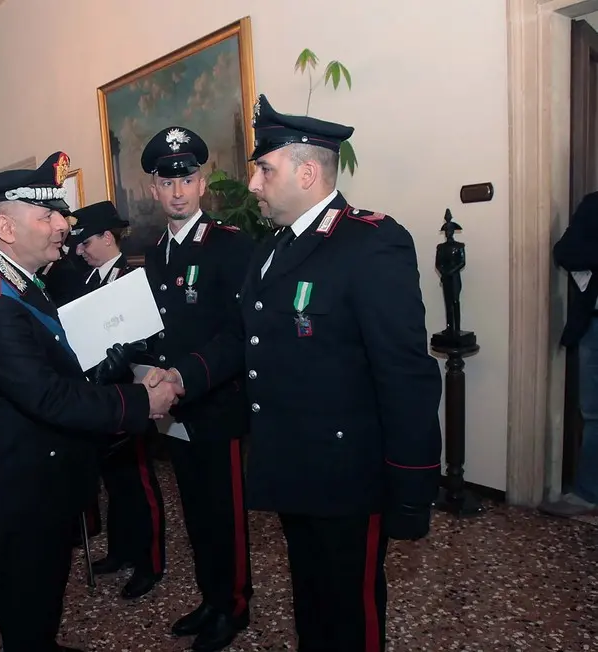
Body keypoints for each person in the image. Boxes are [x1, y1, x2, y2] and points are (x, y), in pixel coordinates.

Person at [155, 94, 443, 651]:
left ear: (308, 171)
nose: (255, 185)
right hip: (291, 466)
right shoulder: (272, 250)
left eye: (265, 169)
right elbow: (243, 337)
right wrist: (180, 378)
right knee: (310, 599)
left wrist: (411, 485)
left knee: (349, 608)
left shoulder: (370, 243)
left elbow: (405, 373)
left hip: (347, 477)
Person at [0, 151, 179, 652]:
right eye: (48, 215)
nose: (63, 225)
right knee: (27, 594)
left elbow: (58, 364)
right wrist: (142, 401)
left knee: (42, 591)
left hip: (41, 476)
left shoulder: (19, 284)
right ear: (6, 227)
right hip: (23, 485)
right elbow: (49, 396)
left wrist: (123, 370)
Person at [136, 126, 255, 652]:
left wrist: (185, 376)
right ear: (153, 189)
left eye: (187, 177)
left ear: (203, 183)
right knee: (196, 513)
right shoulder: (155, 252)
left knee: (225, 515)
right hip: (174, 411)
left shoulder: (231, 246)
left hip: (217, 406)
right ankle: (210, 597)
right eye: (168, 180)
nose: (178, 190)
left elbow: (239, 335)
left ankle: (234, 605)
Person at [69, 200, 166, 599]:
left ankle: (150, 562)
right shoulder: (91, 281)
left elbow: (152, 335)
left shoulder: (132, 277)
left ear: (108, 238)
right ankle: (122, 550)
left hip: (131, 394)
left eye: (86, 241)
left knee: (140, 483)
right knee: (116, 481)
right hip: (102, 399)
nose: (80, 249)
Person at [545, 191, 598, 516]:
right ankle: (587, 493)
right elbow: (565, 252)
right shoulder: (594, 204)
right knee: (593, 414)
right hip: (595, 326)